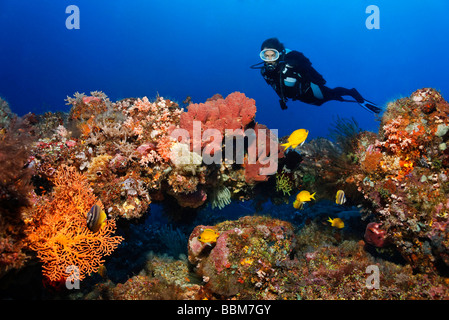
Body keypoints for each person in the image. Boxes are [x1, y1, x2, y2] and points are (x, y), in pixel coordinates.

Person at [252, 38, 381, 113]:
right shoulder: (264, 72)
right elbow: (276, 86)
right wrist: (282, 99)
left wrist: (295, 63)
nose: (269, 59)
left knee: (330, 95)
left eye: (272, 55)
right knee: (323, 101)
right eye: (265, 55)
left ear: (279, 54)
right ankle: (342, 96)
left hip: (312, 90)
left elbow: (306, 64)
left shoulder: (291, 62)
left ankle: (353, 94)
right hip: (301, 97)